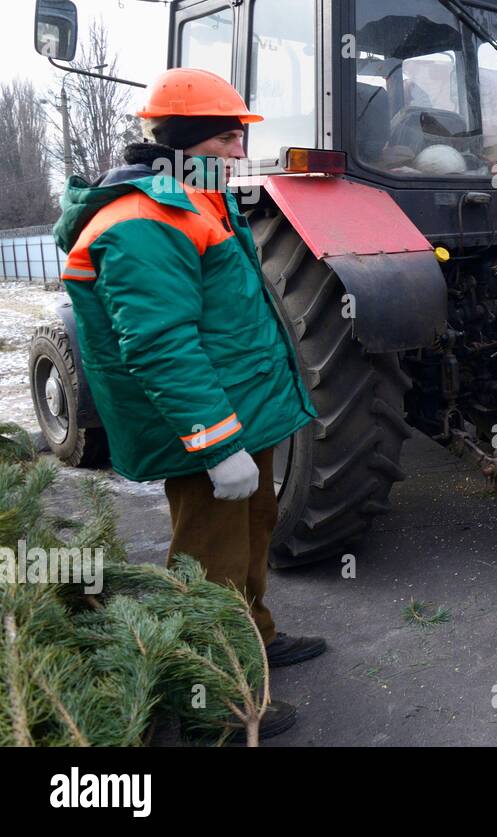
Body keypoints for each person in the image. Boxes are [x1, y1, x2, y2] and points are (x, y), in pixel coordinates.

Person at [54, 67, 325, 738]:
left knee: (253, 528)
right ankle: (212, 700)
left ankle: (253, 640)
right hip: (205, 429)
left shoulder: (197, 200)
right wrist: (216, 442)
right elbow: (159, 343)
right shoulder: (145, 218)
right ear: (188, 141)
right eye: (230, 139)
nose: (240, 153)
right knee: (209, 558)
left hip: (241, 414)